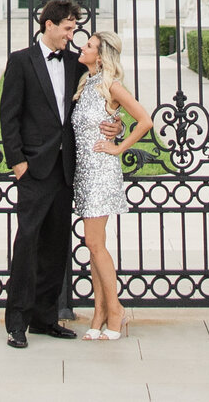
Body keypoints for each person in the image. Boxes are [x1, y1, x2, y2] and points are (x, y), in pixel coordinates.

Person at [0, 0, 85, 347]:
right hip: (34, 168)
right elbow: (9, 115)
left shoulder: (75, 62)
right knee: (28, 244)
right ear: (48, 25)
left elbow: (94, 103)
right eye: (67, 28)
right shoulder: (21, 61)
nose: (71, 34)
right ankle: (17, 322)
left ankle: (45, 318)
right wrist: (18, 161)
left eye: (73, 28)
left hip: (65, 168)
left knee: (55, 245)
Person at [71, 27, 154, 340]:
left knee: (94, 244)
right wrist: (115, 128)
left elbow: (145, 121)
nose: (83, 47)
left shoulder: (112, 87)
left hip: (101, 171)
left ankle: (115, 311)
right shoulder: (87, 83)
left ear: (101, 56)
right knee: (94, 246)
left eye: (89, 45)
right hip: (84, 172)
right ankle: (99, 312)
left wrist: (119, 146)